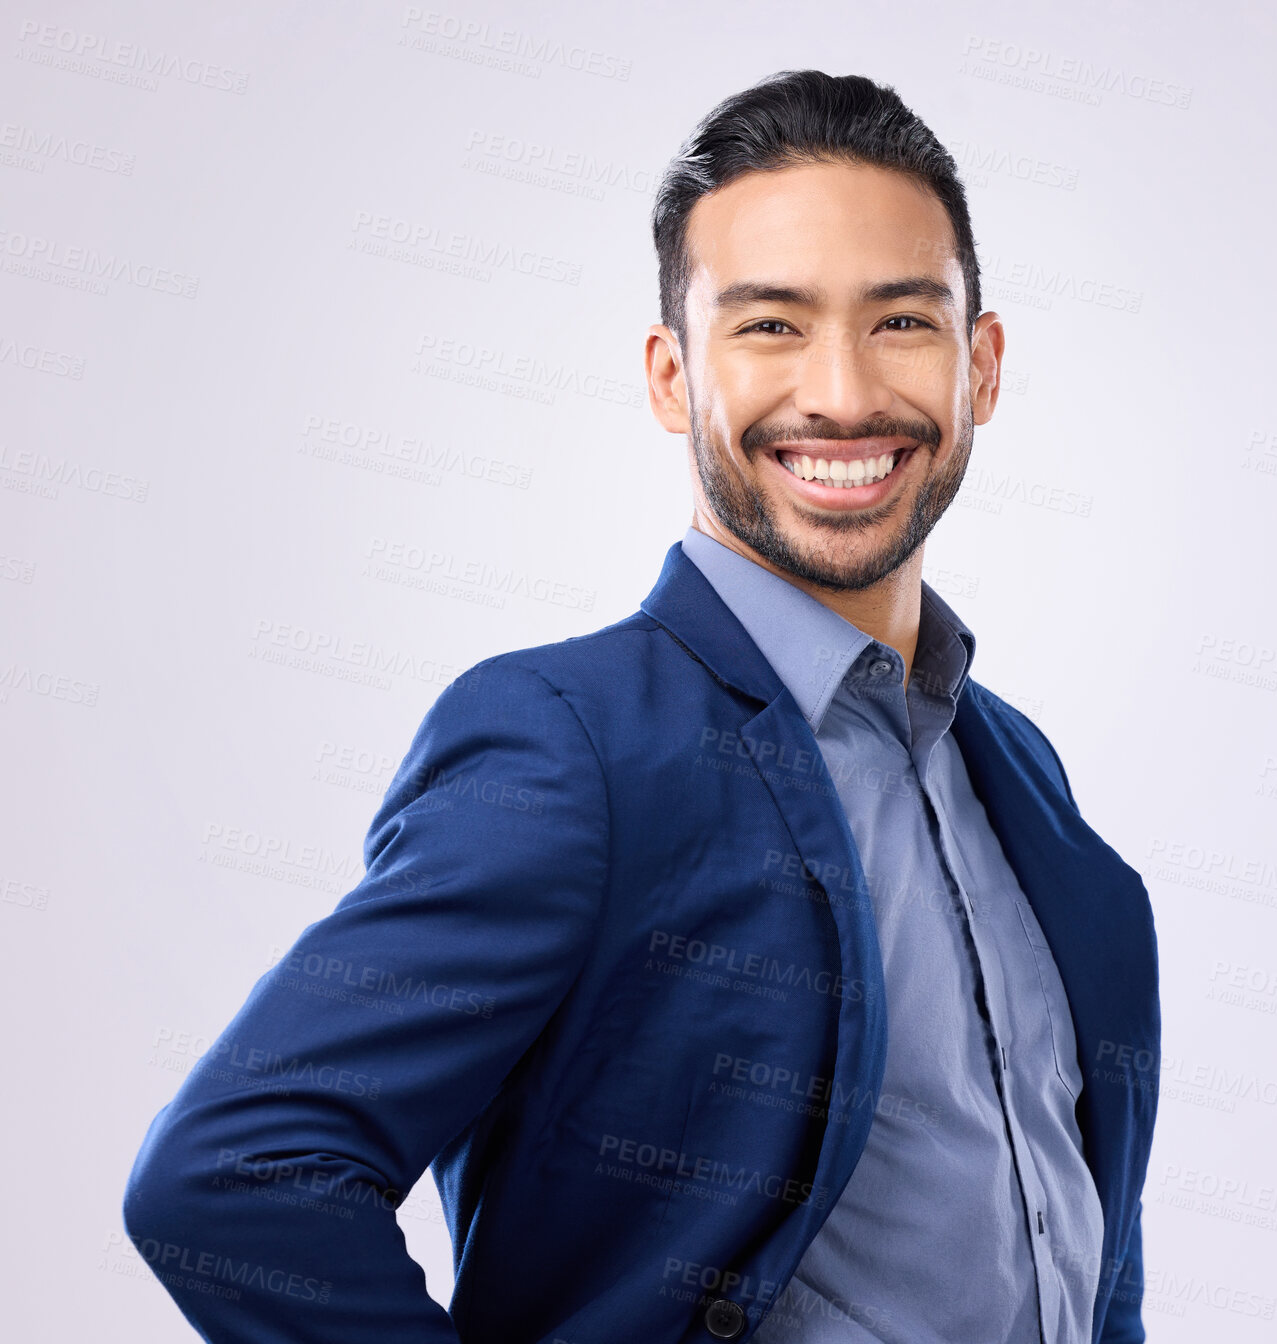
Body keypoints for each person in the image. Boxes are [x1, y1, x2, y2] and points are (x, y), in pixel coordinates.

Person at [123, 69, 1159, 1344]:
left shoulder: (1016, 774)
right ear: (673, 378)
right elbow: (232, 1179)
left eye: (900, 322)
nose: (839, 392)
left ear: (979, 365)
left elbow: (1083, 1245)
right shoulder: (570, 743)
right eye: (770, 326)